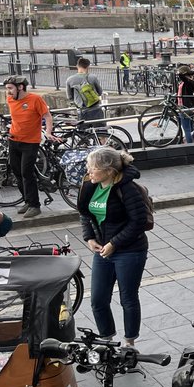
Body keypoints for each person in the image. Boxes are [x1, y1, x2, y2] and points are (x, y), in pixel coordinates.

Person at [78, 147, 150, 347]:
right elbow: (85, 212)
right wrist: (89, 237)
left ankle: (130, 342)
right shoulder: (91, 185)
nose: (89, 171)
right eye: (88, 167)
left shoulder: (127, 189)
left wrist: (114, 243)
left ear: (109, 171)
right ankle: (107, 338)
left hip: (130, 250)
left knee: (128, 298)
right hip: (103, 250)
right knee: (98, 299)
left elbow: (138, 222)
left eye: (93, 168)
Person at [4, 76, 56, 218]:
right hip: (13, 140)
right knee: (17, 172)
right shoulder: (10, 99)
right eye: (7, 88)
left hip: (30, 142)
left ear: (20, 87)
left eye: (10, 88)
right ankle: (27, 200)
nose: (7, 91)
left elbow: (48, 116)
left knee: (27, 172)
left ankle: (35, 205)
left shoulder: (35, 99)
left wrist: (48, 133)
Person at [66, 57, 105, 132]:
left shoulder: (70, 79)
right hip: (96, 109)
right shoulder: (92, 77)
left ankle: (85, 143)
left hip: (82, 111)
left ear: (77, 66)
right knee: (101, 132)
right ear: (88, 66)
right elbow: (100, 92)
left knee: (83, 135)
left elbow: (70, 97)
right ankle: (102, 143)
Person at [176, 65, 194, 144]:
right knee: (191, 128)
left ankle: (189, 146)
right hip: (187, 106)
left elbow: (181, 75)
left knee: (186, 129)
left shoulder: (187, 82)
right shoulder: (188, 82)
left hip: (185, 107)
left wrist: (184, 72)